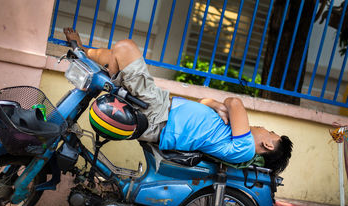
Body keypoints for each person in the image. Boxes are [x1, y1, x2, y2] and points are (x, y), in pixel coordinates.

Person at [63, 28, 293, 175]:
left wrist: (224, 106)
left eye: (270, 132)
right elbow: (205, 101)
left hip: (159, 116)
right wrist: (215, 104)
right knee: (117, 56)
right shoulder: (233, 136)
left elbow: (235, 103)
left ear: (268, 145)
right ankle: (87, 53)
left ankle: (101, 64)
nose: (264, 129)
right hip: (161, 109)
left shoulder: (244, 149)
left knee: (124, 48)